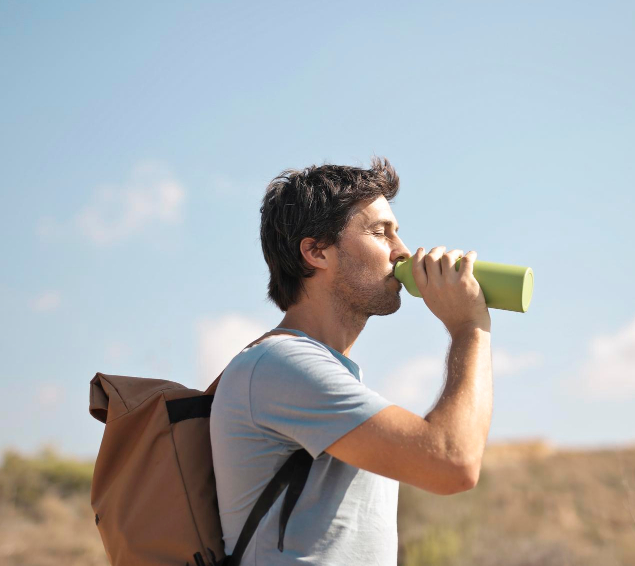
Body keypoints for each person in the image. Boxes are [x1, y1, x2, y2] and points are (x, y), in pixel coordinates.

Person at [209, 156, 492, 565]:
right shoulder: (280, 365)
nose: (402, 252)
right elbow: (452, 461)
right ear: (317, 252)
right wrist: (469, 328)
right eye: (381, 233)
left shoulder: (321, 372)